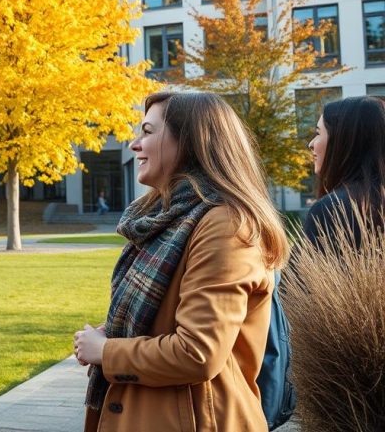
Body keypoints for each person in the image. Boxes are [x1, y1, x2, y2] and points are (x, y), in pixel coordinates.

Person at [73, 91, 289, 432]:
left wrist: (108, 351)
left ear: (189, 143)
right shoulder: (168, 219)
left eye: (147, 131)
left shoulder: (225, 225)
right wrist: (118, 332)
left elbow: (198, 352)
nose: (134, 144)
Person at [304, 96, 385, 251]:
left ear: (343, 142)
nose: (311, 144)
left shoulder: (331, 209)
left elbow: (296, 274)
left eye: (318, 133)